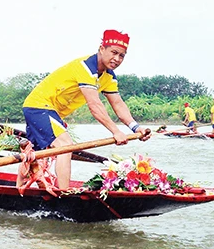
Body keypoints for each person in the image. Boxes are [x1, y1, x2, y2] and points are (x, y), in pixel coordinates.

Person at [21, 29, 151, 189]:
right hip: (38, 106)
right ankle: (64, 195)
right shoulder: (86, 68)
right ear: (102, 49)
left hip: (52, 112)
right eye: (114, 52)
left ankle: (18, 191)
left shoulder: (109, 77)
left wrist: (136, 127)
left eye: (122, 56)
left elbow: (118, 104)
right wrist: (115, 131)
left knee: (34, 153)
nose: (117, 59)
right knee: (65, 146)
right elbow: (95, 105)